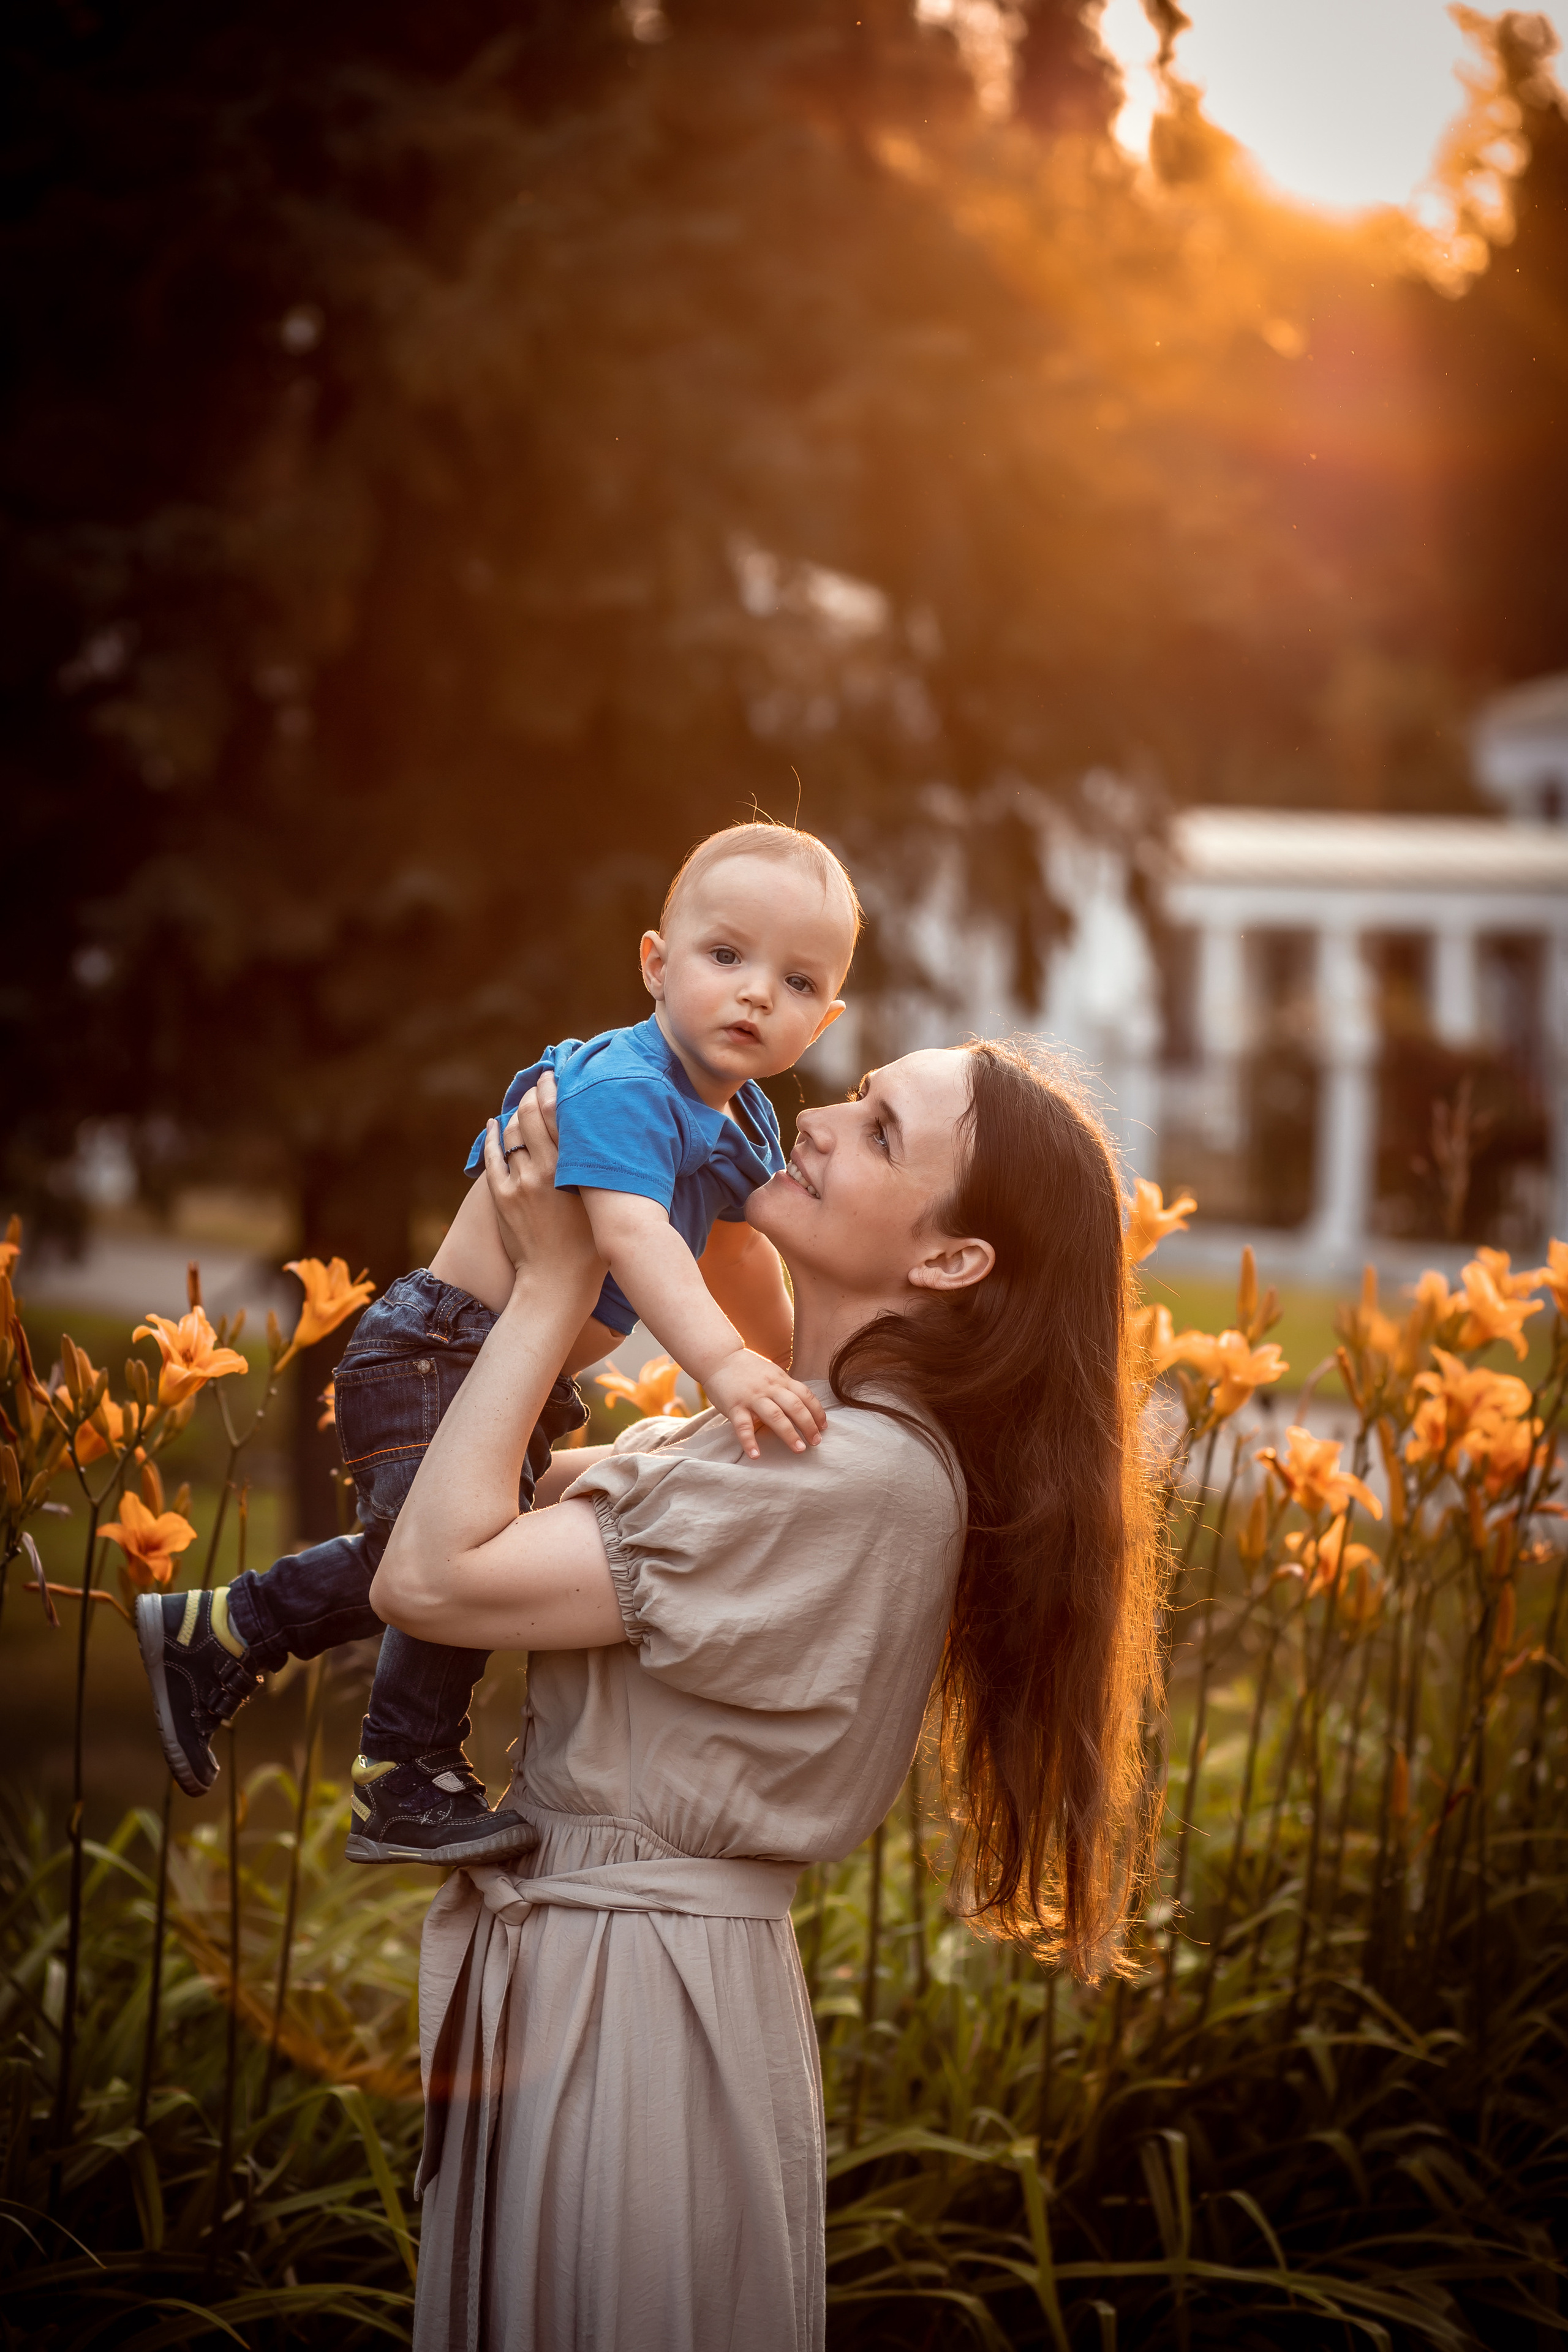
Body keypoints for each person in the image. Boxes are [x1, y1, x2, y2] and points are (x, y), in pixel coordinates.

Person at [373, 1038, 1161, 2352]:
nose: (816, 1119)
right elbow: (445, 1520)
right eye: (855, 1095)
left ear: (950, 1260)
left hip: (638, 2012)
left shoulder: (850, 1475)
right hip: (600, 1975)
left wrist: (557, 1282)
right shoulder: (784, 1432)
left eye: (881, 1130)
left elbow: (431, 1577)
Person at [134, 823, 861, 1866]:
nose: (755, 994)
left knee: (430, 1549)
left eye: (796, 982)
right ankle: (403, 1772)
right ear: (656, 964)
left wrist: (796, 1369)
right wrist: (726, 1367)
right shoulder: (626, 1085)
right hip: (435, 1351)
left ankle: (223, 1630)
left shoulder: (740, 1117)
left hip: (499, 1368)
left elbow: (738, 1255)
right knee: (463, 1558)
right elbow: (636, 1237)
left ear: (824, 1019)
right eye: (726, 955)